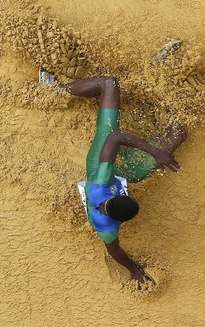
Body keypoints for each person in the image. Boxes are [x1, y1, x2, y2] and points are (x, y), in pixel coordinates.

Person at [42, 74, 187, 285]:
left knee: (109, 83)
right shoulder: (109, 225)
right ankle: (161, 93)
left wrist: (154, 152)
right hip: (127, 173)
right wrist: (134, 269)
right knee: (179, 132)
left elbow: (115, 137)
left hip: (103, 160)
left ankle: (54, 88)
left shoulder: (101, 188)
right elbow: (116, 251)